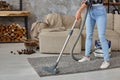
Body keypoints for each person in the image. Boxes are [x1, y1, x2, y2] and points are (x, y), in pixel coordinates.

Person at [75, 0, 110, 69]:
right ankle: (87, 56)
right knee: (89, 35)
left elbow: (90, 1)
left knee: (102, 36)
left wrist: (79, 11)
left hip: (100, 12)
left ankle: (106, 61)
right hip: (90, 11)